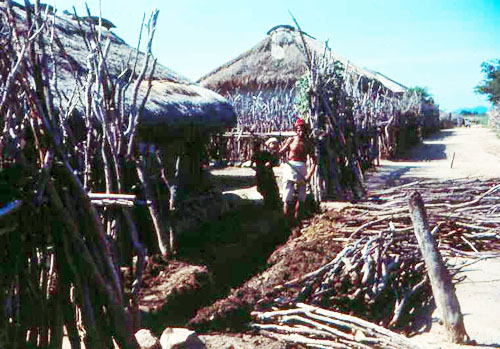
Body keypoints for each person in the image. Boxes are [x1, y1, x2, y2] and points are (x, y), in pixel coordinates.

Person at [279, 118, 317, 223]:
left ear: (305, 130)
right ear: (296, 130)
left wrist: (309, 175)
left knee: (301, 197)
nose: (300, 132)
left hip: (301, 169)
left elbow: (315, 161)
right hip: (289, 168)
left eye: (303, 130)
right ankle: (285, 222)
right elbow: (281, 152)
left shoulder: (308, 143)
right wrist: (277, 153)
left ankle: (297, 220)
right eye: (299, 130)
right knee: (287, 197)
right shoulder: (291, 140)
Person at [251, 138, 281, 208]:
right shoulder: (255, 155)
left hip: (268, 174)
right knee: (263, 188)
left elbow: (273, 162)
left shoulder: (265, 153)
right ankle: (268, 203)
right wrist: (259, 169)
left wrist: (269, 164)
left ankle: (273, 204)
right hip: (261, 174)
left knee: (270, 188)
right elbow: (252, 165)